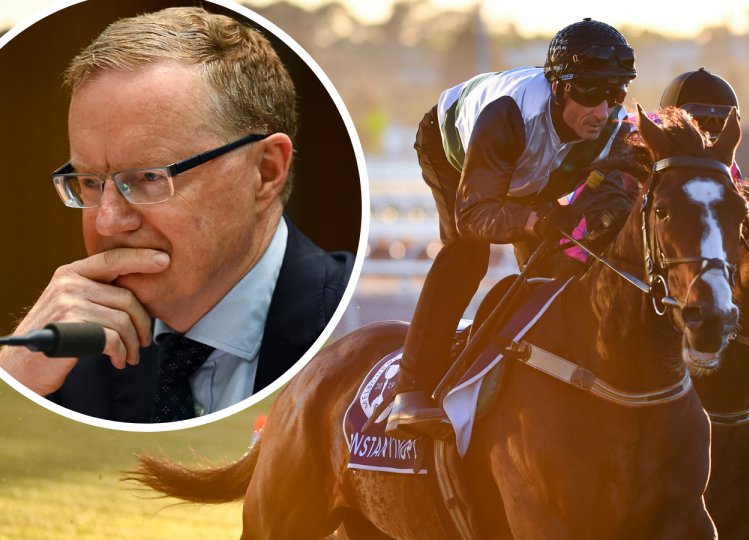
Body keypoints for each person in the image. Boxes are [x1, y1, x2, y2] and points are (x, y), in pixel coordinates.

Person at [0, 7, 354, 423]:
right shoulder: (55, 355)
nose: (106, 223)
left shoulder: (355, 327)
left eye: (148, 176)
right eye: (91, 182)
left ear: (264, 172)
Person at [386, 18, 637, 440]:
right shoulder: (507, 112)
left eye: (615, 94)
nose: (602, 110)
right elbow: (474, 215)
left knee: (554, 266)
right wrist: (535, 219)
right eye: (590, 92)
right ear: (557, 87)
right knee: (467, 254)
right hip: (454, 151)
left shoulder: (612, 126)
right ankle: (410, 392)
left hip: (528, 167)